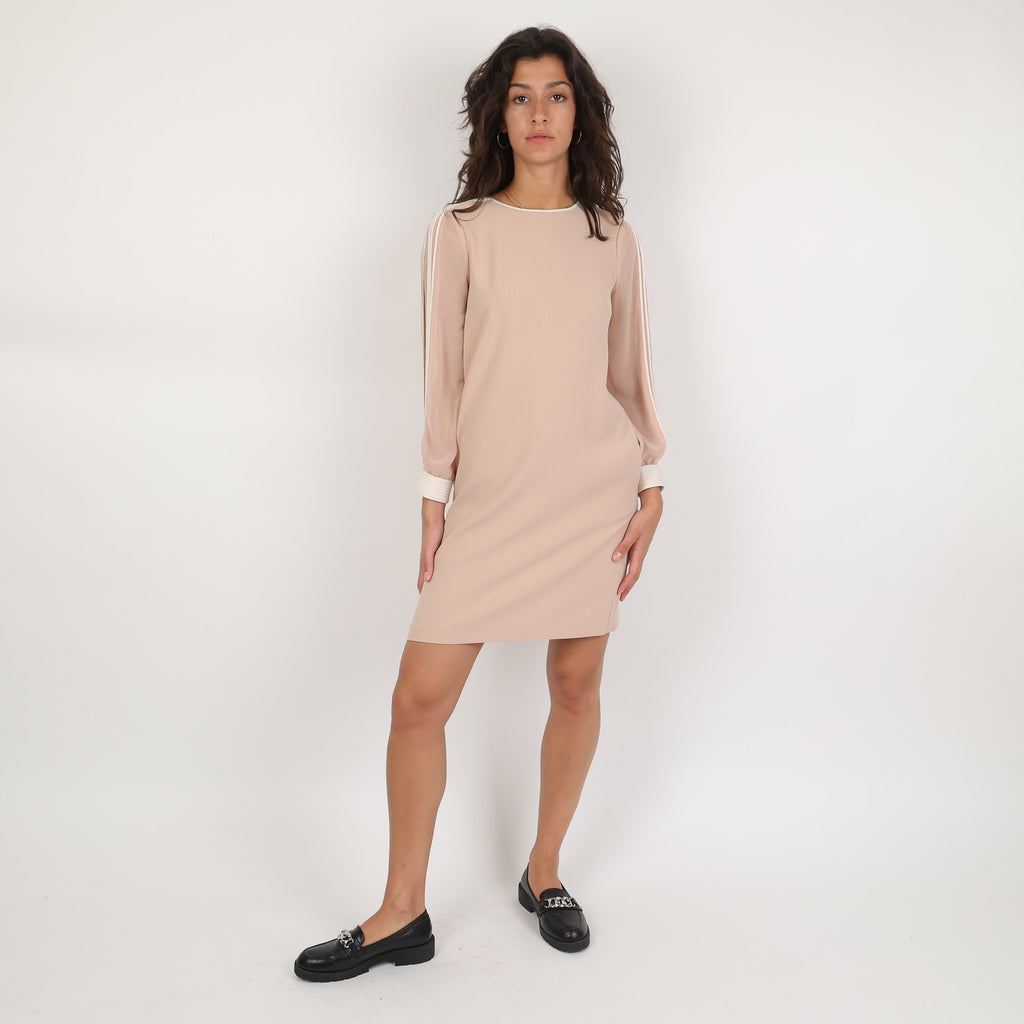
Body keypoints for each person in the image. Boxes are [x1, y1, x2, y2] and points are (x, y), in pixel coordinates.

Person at [294, 25, 667, 982]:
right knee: (417, 701)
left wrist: (653, 483)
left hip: (591, 498)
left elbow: (631, 376)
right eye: (521, 96)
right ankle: (401, 911)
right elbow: (444, 376)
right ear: (497, 116)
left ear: (580, 112)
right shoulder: (459, 231)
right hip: (492, 502)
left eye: (557, 95)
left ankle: (545, 872)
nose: (539, 114)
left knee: (575, 686)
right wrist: (434, 495)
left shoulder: (611, 237)